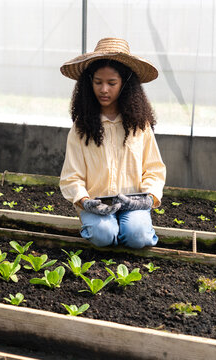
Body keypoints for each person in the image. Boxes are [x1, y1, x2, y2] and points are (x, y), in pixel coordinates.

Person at [59, 37, 166, 249]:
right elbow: (72, 176)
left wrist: (144, 200)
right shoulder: (82, 127)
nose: (104, 90)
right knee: (103, 234)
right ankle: (109, 230)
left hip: (132, 204)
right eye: (98, 82)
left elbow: (154, 169)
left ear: (125, 84)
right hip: (96, 205)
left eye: (111, 83)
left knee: (138, 237)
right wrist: (85, 201)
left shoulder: (139, 125)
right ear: (89, 83)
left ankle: (131, 229)